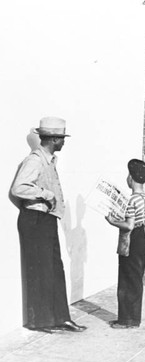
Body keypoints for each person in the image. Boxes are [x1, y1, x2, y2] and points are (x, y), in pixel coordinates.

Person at [10, 116, 87, 333]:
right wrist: (44, 194)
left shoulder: (49, 159)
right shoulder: (35, 160)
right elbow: (18, 188)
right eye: (62, 138)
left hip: (46, 219)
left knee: (54, 269)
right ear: (53, 139)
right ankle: (40, 321)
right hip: (34, 220)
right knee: (40, 271)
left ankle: (61, 317)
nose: (64, 142)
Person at [105, 159, 145, 329]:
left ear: (131, 178)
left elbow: (129, 225)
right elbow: (140, 220)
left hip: (132, 239)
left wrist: (112, 221)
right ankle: (132, 318)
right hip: (143, 239)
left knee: (126, 279)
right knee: (136, 279)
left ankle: (127, 320)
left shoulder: (131, 200)